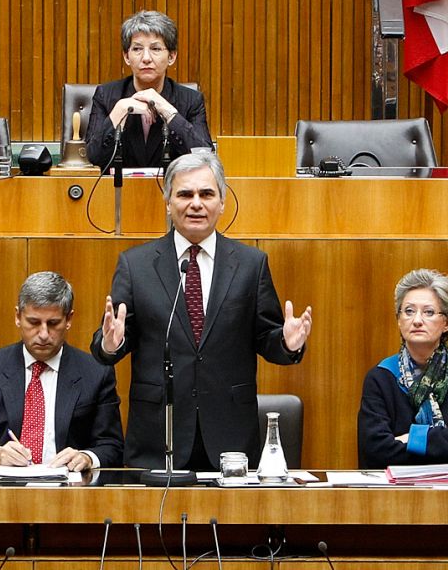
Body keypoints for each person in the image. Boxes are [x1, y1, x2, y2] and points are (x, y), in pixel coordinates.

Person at [92, 151, 312, 470]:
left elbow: (267, 338)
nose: (196, 203)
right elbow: (107, 343)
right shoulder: (136, 264)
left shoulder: (251, 265)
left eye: (206, 194)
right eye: (185, 194)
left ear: (221, 202)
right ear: (168, 202)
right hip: (159, 434)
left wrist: (287, 343)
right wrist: (111, 344)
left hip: (230, 434)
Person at [0, 272, 124, 471]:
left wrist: (86, 457)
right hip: (2, 491)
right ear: (18, 317)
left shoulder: (96, 372)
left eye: (53, 323)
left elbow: (112, 446)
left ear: (69, 319)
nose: (43, 334)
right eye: (34, 322)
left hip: (70, 492)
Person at [358, 269, 448, 469]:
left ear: (446, 322)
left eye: (429, 312)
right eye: (408, 311)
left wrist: (412, 438)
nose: (417, 320)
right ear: (398, 320)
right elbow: (376, 450)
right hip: (397, 492)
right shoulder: (380, 377)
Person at [83, 10, 213, 169]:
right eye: (137, 49)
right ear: (126, 57)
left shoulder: (191, 100)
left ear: (171, 57)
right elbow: (92, 160)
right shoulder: (106, 95)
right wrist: (120, 110)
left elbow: (205, 159)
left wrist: (168, 111)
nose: (146, 58)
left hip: (170, 192)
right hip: (118, 191)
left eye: (156, 49)